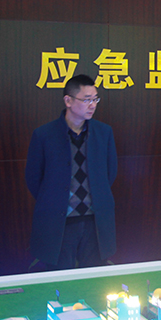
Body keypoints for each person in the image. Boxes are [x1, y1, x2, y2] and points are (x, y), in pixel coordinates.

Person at [25, 74, 117, 270]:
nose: (92, 105)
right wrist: (55, 199)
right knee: (60, 277)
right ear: (68, 101)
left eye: (95, 99)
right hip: (59, 222)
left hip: (95, 222)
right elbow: (34, 178)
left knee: (93, 277)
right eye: (86, 100)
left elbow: (110, 173)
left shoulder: (104, 132)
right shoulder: (44, 135)